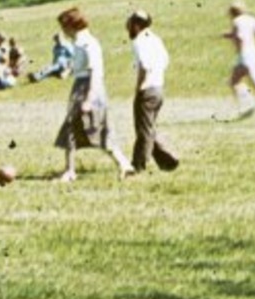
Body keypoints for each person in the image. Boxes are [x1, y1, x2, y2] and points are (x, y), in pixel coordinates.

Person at [52, 8, 133, 181]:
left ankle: (71, 171)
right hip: (83, 86)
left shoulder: (87, 43)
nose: (63, 30)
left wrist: (89, 99)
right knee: (92, 129)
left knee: (77, 128)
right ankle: (124, 165)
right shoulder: (79, 42)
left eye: (63, 25)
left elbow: (95, 72)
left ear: (71, 25)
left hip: (88, 89)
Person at [127, 10, 180, 172]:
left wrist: (139, 87)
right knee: (148, 127)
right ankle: (167, 161)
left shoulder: (139, 41)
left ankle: (138, 166)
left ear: (136, 25)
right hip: (158, 88)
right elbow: (165, 60)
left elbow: (144, 66)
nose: (127, 25)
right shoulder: (155, 39)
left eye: (130, 23)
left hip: (147, 90)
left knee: (143, 131)